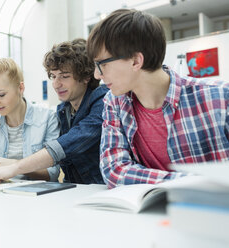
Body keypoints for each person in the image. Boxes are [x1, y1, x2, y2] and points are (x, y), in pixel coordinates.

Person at [86, 9, 229, 189]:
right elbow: (114, 170)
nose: (97, 75)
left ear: (136, 61)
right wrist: (196, 183)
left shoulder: (220, 98)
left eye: (103, 64)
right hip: (150, 212)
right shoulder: (115, 103)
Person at [0, 38, 109, 185]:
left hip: (102, 190)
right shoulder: (63, 111)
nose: (56, 84)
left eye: (65, 76)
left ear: (86, 76)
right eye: (53, 76)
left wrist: (14, 167)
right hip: (75, 190)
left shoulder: (103, 102)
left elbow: (66, 145)